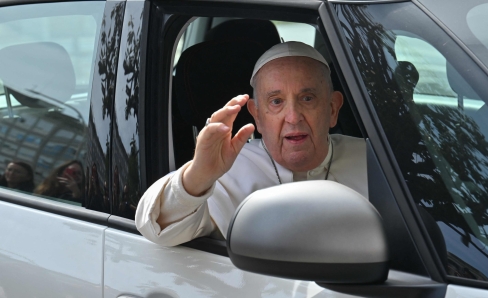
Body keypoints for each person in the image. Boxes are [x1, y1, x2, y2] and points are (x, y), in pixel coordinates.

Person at [136, 41, 368, 246]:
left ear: (332, 109)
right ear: (256, 115)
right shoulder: (225, 171)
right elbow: (156, 227)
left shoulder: (376, 163)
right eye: (276, 101)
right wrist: (199, 174)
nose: (293, 116)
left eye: (307, 98)